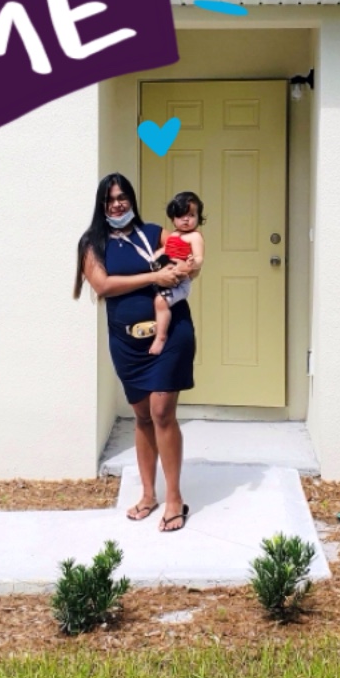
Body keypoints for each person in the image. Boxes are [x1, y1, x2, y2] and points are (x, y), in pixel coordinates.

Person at [73, 173, 197, 532]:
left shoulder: (153, 232)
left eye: (122, 197)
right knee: (142, 416)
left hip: (171, 332)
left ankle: (173, 498)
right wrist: (153, 277)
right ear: (102, 203)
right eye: (110, 199)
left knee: (161, 412)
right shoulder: (92, 243)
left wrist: (186, 266)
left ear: (131, 199)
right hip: (127, 342)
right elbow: (103, 285)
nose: (117, 204)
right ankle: (148, 494)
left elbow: (186, 253)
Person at [149, 191, 205, 356]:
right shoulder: (173, 235)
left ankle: (161, 337)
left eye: (191, 215)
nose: (186, 219)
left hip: (181, 282)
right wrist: (157, 255)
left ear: (199, 217)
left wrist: (193, 263)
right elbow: (166, 250)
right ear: (173, 218)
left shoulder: (195, 237)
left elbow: (200, 257)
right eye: (181, 215)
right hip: (167, 273)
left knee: (160, 301)